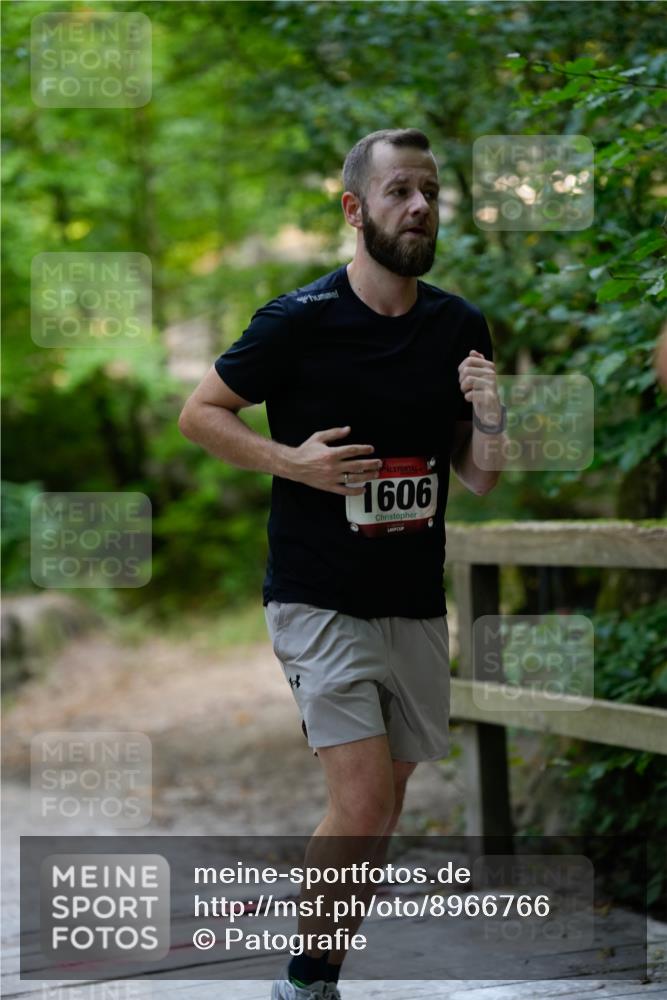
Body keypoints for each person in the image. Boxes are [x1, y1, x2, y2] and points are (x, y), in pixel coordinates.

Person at [178, 127, 506, 1000]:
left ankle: (317, 970)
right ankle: (302, 981)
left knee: (383, 808)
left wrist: (491, 416)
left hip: (410, 599)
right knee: (361, 802)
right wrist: (295, 463)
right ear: (355, 210)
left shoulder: (457, 323)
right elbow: (200, 414)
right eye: (399, 190)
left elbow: (476, 476)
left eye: (430, 190)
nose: (420, 206)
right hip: (316, 595)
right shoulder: (298, 321)